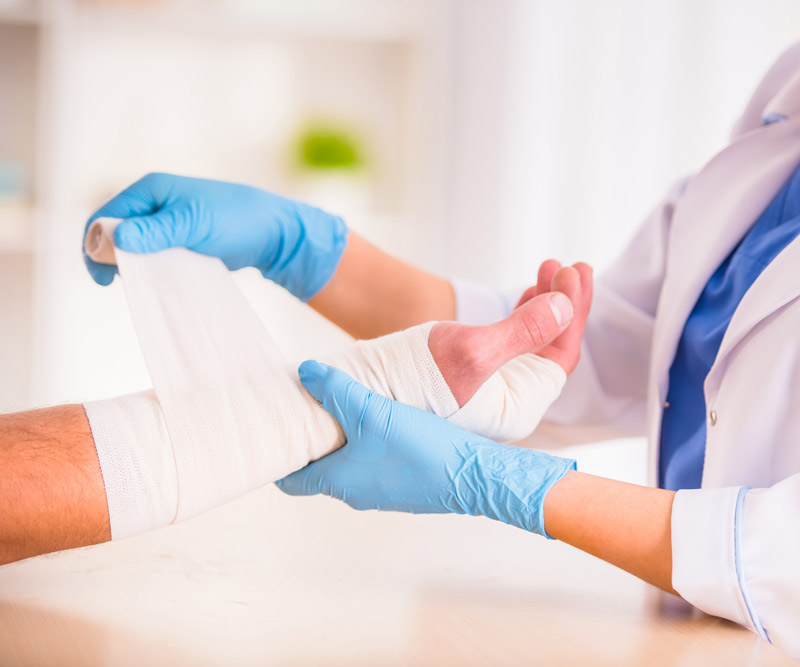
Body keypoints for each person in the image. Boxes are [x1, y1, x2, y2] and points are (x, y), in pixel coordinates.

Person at [3, 40, 799, 658]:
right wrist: (306, 248)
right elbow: (613, 352)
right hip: (680, 639)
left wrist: (500, 483)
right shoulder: (783, 102)